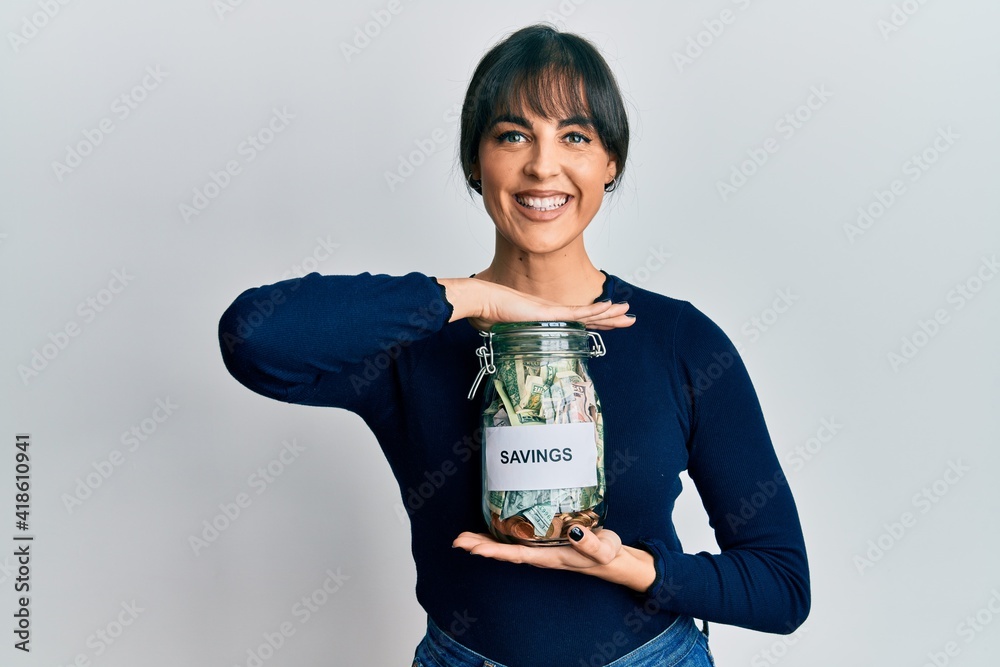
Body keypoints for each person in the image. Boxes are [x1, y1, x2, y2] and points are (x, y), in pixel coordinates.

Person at [219, 23, 809, 667]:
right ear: (476, 161)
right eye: (513, 135)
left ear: (610, 163)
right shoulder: (415, 343)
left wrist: (631, 567)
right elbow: (255, 337)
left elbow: (780, 588)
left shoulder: (679, 340)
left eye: (575, 136)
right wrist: (474, 300)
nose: (542, 165)